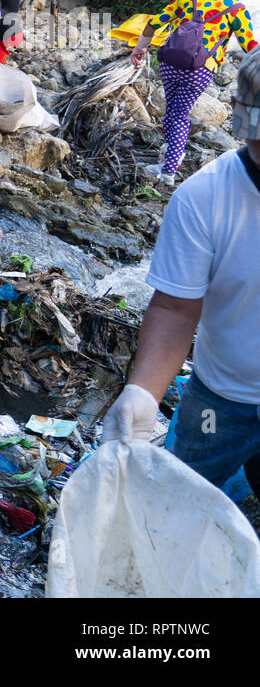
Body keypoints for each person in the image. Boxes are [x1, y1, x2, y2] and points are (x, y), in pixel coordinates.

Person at [102, 49, 260, 494]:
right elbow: (175, 307)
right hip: (222, 401)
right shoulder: (204, 198)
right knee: (173, 500)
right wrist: (144, 392)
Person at [130, 0, 257, 185]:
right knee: (180, 115)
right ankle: (169, 172)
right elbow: (250, 46)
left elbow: (155, 23)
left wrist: (139, 49)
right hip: (198, 70)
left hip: (170, 63)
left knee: (172, 111)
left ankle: (168, 156)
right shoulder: (236, 9)